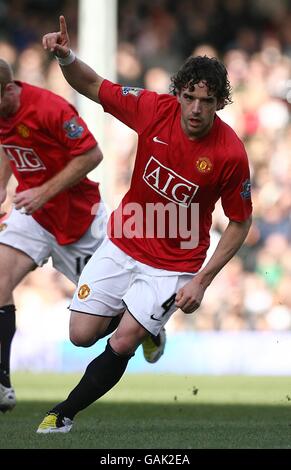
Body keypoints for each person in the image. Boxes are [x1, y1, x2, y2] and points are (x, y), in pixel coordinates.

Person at [36, 16, 252, 434]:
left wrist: (203, 280)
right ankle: (149, 325)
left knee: (123, 341)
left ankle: (62, 414)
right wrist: (66, 58)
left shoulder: (230, 153)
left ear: (220, 103)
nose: (195, 108)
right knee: (81, 335)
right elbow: (94, 85)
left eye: (206, 102)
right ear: (178, 94)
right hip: (125, 240)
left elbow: (240, 223)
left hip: (175, 262)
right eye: (189, 97)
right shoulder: (154, 109)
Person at [0, 59, 165, 413]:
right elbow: (6, 142)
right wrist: (2, 185)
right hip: (33, 216)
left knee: (89, 331)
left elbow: (92, 154)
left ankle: (145, 325)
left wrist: (44, 191)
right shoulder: (3, 112)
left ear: (9, 90)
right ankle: (2, 382)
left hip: (80, 223)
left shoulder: (49, 108)